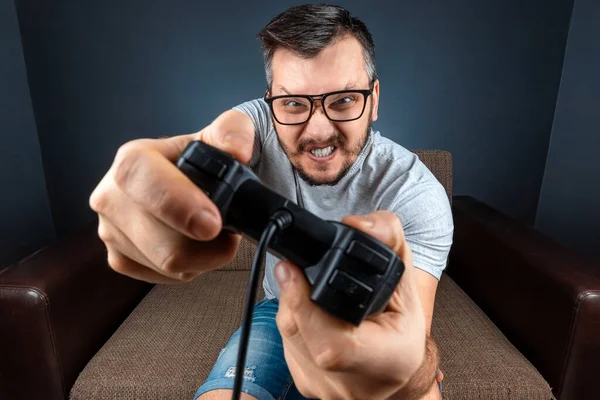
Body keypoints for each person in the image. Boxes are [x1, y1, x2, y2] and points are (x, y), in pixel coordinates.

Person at [89, 4, 453, 400]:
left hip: (367, 321)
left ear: (374, 98)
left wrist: (410, 375)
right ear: (271, 105)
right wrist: (167, 186)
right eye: (294, 104)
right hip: (277, 312)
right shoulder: (260, 124)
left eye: (344, 100)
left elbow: (411, 339)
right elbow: (223, 138)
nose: (318, 130)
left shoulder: (418, 194)